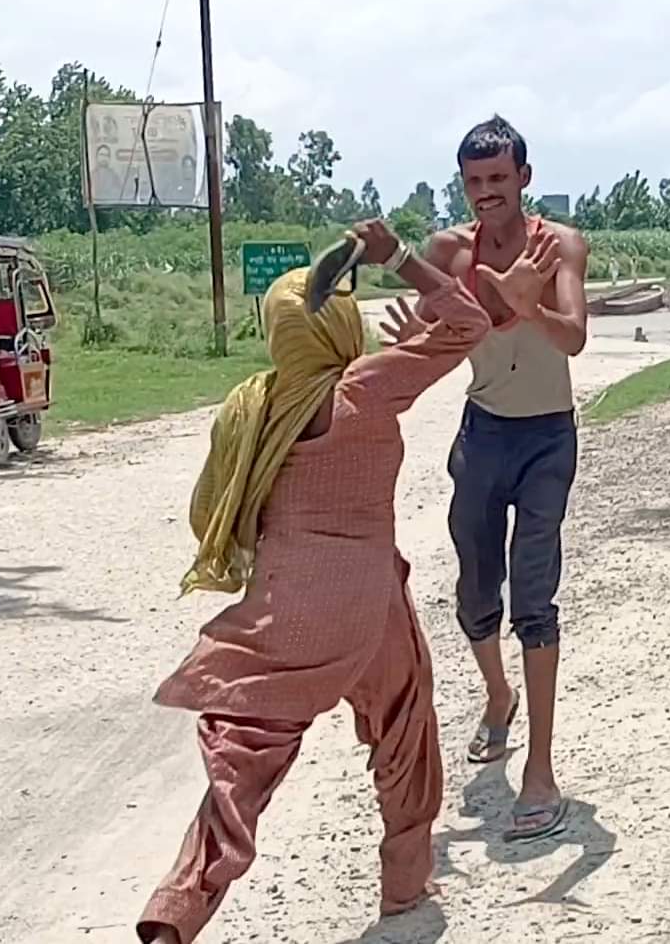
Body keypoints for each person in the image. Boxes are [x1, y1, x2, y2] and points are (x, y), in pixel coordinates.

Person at [136, 220, 553, 944]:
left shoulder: (254, 408)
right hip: (369, 607)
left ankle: (177, 907)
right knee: (404, 734)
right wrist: (398, 257)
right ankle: (403, 888)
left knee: (241, 773)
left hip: (280, 613)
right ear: (336, 328)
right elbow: (469, 320)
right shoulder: (365, 387)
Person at [422, 115, 588, 844]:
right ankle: (498, 696)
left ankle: (542, 772)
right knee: (473, 588)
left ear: (525, 177)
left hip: (548, 435)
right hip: (483, 431)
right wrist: (493, 302)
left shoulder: (562, 245)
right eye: (474, 182)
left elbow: (575, 336)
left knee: (536, 597)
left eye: (499, 178)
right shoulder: (450, 251)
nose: (487, 193)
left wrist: (531, 301)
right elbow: (442, 331)